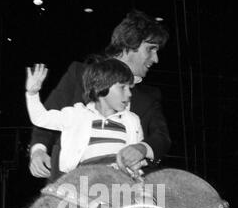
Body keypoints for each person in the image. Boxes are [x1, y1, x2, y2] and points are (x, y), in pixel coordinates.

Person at [29, 10, 171, 182]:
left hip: (123, 193)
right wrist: (38, 150)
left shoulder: (149, 96)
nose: (155, 59)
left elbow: (161, 137)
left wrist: (142, 148)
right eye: (151, 49)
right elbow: (49, 114)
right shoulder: (79, 74)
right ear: (129, 45)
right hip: (70, 189)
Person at [26, 59, 154, 175]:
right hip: (86, 180)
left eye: (130, 88)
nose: (129, 93)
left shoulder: (132, 120)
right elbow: (41, 118)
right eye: (123, 88)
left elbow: (136, 152)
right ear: (102, 87)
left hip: (119, 182)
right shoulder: (76, 115)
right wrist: (32, 94)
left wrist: (137, 163)